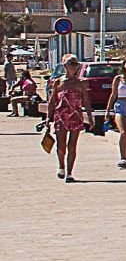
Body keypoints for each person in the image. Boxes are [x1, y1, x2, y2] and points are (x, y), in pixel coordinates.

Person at [49, 54, 92, 182]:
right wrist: (48, 118)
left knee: (72, 145)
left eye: (76, 64)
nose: (74, 66)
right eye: (71, 63)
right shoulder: (58, 82)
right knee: (61, 145)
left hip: (75, 116)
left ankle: (69, 172)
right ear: (65, 65)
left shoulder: (80, 83)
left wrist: (90, 117)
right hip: (60, 116)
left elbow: (86, 100)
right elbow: (52, 101)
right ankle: (61, 165)